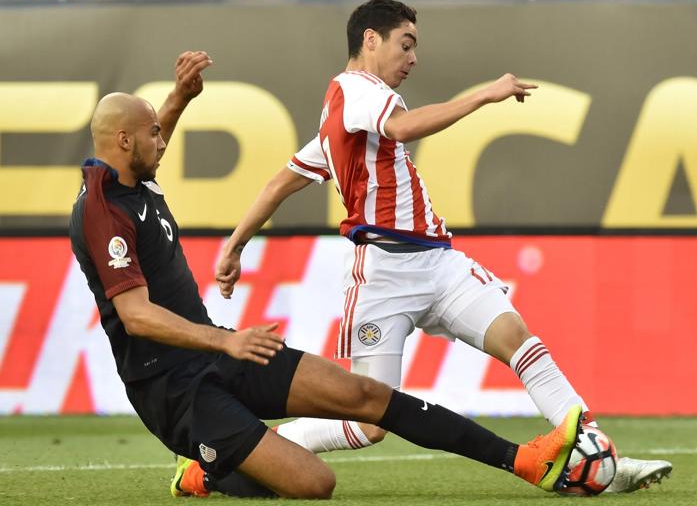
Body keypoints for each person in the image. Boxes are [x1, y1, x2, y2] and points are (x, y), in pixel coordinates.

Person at [68, 50, 584, 500]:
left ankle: (524, 461)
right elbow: (136, 316)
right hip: (173, 389)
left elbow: (152, 139)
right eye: (154, 134)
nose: (163, 141)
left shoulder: (134, 175)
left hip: (216, 351)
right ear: (124, 142)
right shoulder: (102, 212)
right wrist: (225, 342)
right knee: (316, 483)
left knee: (365, 397)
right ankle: (205, 472)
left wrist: (180, 96)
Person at [215, 0, 672, 494]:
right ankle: (250, 450)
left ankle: (600, 458)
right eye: (405, 44)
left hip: (438, 263)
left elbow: (280, 183)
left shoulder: (341, 114)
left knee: (519, 341)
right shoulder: (359, 91)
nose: (413, 58)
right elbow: (404, 127)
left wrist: (235, 245)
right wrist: (485, 95)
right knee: (368, 423)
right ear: (371, 39)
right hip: (383, 276)